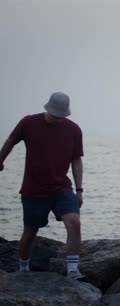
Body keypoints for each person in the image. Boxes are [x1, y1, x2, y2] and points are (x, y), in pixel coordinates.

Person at [0, 92, 85, 279]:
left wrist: (79, 190)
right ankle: (23, 269)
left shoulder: (73, 130)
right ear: (47, 109)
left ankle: (73, 271)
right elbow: (10, 141)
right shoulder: (28, 123)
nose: (57, 119)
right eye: (55, 115)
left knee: (74, 222)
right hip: (34, 191)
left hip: (61, 188)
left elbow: (76, 160)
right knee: (30, 234)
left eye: (61, 116)